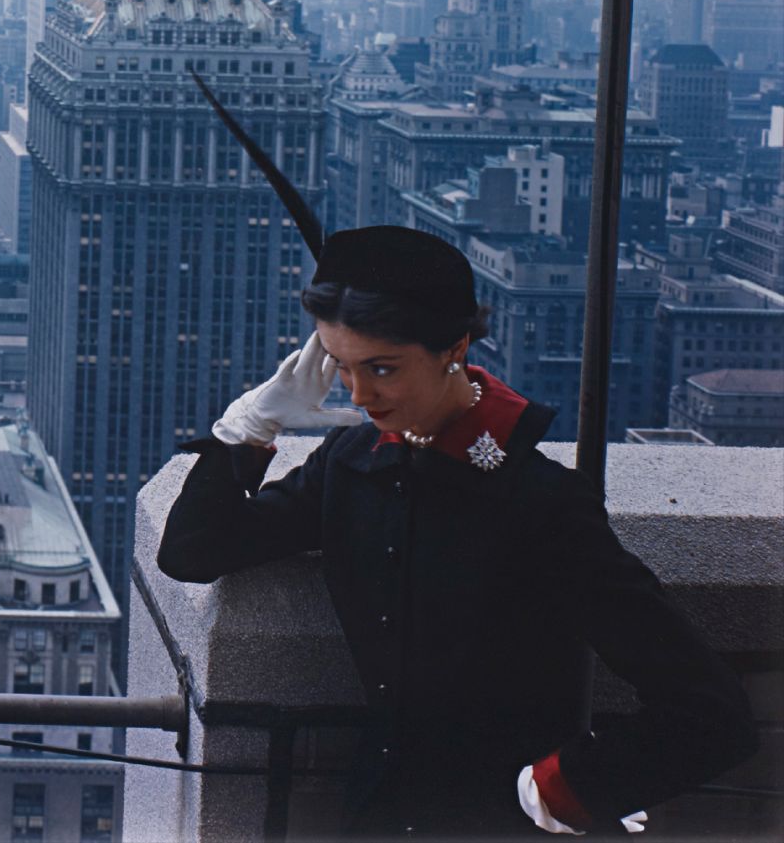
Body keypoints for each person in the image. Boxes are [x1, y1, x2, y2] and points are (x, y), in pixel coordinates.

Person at [156, 75, 758, 838]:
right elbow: (193, 551)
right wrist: (251, 424)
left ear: (455, 347)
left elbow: (712, 713)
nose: (358, 393)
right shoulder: (352, 463)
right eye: (341, 365)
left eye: (382, 367)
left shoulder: (540, 501)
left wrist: (561, 790)